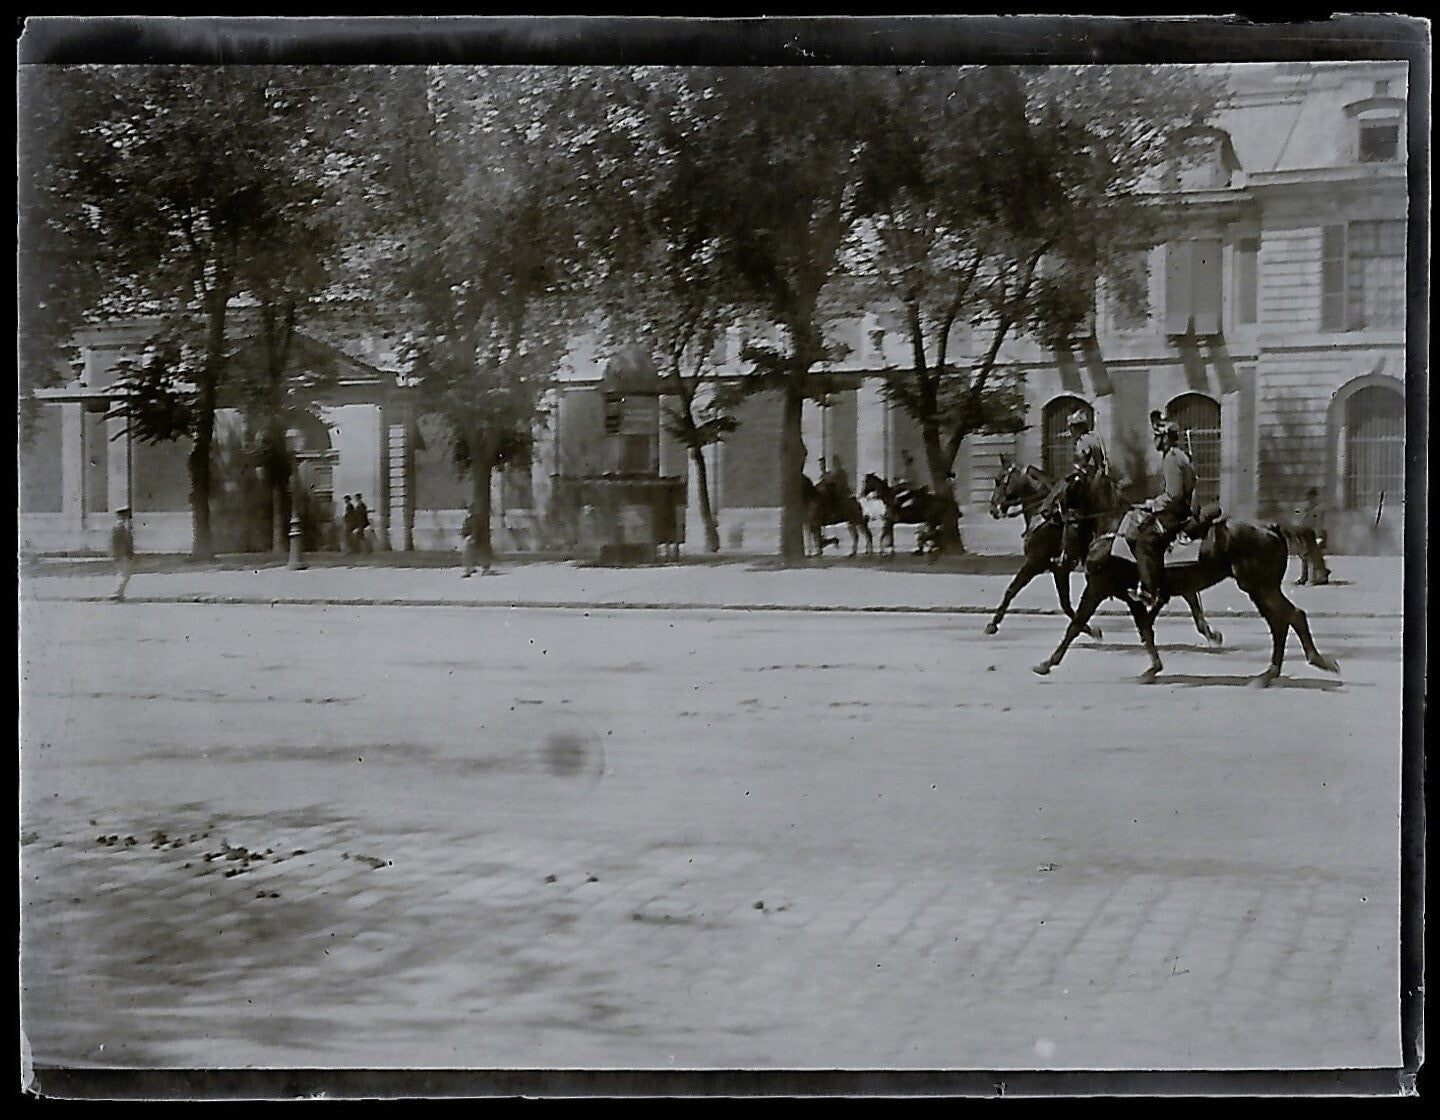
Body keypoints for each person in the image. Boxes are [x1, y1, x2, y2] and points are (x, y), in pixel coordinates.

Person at [1131, 420, 1196, 610]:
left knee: (1144, 541)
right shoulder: (1177, 455)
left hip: (1174, 514)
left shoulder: (1172, 458)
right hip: (1178, 510)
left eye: (1158, 437)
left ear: (1166, 438)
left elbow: (1173, 495)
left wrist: (1151, 504)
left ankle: (1150, 591)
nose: (1155, 441)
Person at [1293, 487, 1332, 585]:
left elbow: (1320, 524)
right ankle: (1305, 577)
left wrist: (1320, 536)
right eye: (1308, 498)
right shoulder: (1306, 509)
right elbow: (1301, 521)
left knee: (1313, 557)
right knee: (1305, 557)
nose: (1309, 500)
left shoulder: (1318, 510)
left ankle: (1315, 578)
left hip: (1314, 535)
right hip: (1305, 534)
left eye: (1311, 497)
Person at [109, 507, 135, 602]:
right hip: (121, 554)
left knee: (123, 574)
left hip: (122, 554)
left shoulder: (122, 526)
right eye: (126, 515)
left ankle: (119, 593)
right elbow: (116, 543)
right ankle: (116, 593)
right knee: (124, 574)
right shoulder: (119, 526)